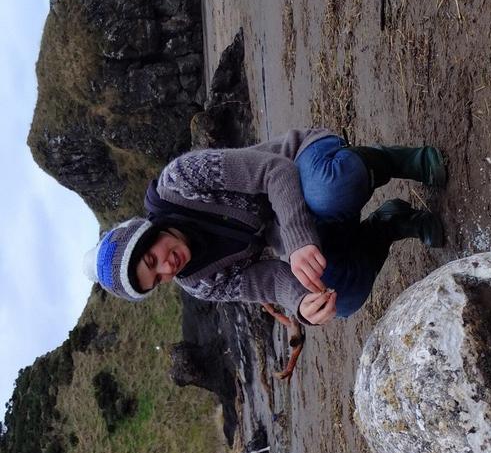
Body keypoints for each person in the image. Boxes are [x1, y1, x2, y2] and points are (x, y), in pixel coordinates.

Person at [83, 129, 446, 325]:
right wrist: (302, 305)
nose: (167, 268)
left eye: (152, 260)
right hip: (296, 234)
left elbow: (275, 172)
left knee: (329, 188)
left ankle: (397, 160)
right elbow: (271, 280)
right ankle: (389, 225)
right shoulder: (200, 283)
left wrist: (301, 239)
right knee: (341, 300)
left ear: (144, 234)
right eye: (158, 280)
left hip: (302, 165)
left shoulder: (180, 181)